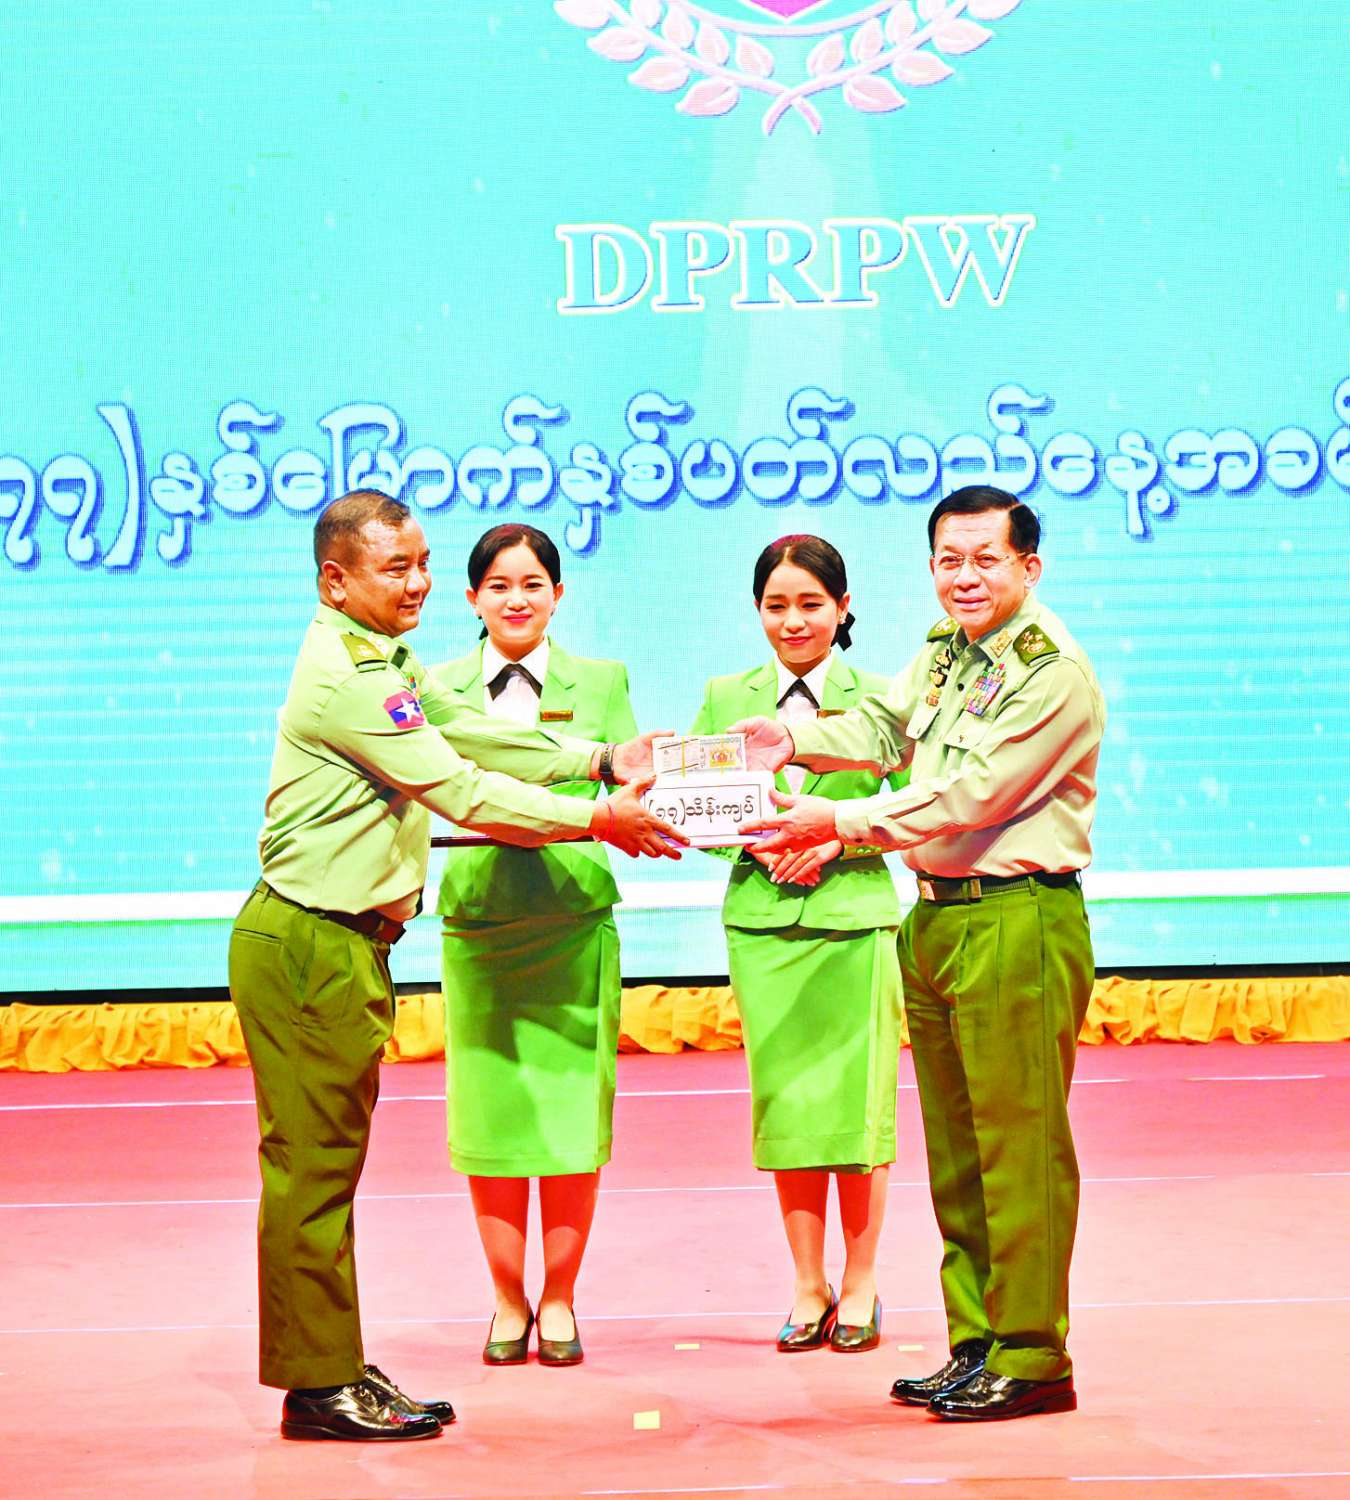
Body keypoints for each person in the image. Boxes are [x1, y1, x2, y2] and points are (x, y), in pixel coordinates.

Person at [228, 491, 683, 1442]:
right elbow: (462, 787)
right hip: (310, 941)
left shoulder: (382, 659)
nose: (420, 584)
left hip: (341, 942)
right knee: (312, 1172)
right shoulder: (350, 679)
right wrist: (601, 816)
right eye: (396, 568)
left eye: (424, 563)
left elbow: (473, 730)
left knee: (326, 1167)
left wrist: (602, 756)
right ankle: (318, 1385)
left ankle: (331, 1363)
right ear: (335, 580)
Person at [736, 485, 1105, 1421]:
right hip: (938, 917)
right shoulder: (948, 649)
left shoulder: (1050, 670)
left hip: (1017, 916)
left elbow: (969, 795)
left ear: (1029, 565)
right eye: (949, 559)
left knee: (1018, 1146)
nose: (964, 576)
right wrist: (793, 738)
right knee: (959, 1151)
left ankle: (1033, 1354)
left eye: (986, 558)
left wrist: (839, 822)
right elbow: (883, 729)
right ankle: (977, 1342)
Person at [689, 535, 904, 1354]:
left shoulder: (880, 696)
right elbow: (692, 809)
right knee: (788, 1110)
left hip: (854, 925)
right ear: (757, 610)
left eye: (811, 604)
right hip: (764, 926)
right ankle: (808, 1285)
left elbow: (922, 802)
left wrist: (837, 840)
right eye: (777, 605)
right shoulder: (726, 696)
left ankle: (862, 1282)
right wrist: (754, 845)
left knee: (858, 1112)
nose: (794, 621)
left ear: (843, 609)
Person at [431, 525, 636, 1368]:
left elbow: (626, 782)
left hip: (572, 921)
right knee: (494, 1120)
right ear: (472, 598)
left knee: (569, 1121)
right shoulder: (433, 688)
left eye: (533, 584)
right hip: (481, 922)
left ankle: (559, 1299)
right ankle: (507, 1300)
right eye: (499, 586)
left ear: (559, 594)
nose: (517, 600)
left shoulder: (603, 681)